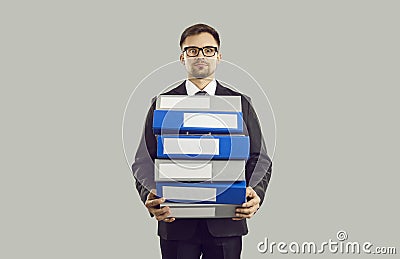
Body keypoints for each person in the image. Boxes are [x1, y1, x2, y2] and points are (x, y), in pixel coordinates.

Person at [132, 23, 272, 259]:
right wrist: (150, 194)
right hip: (175, 223)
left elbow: (259, 158)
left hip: (228, 222)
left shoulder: (240, 103)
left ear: (218, 56)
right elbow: (143, 161)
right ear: (182, 57)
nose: (201, 56)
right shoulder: (162, 103)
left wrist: (255, 192)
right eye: (192, 50)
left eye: (208, 50)